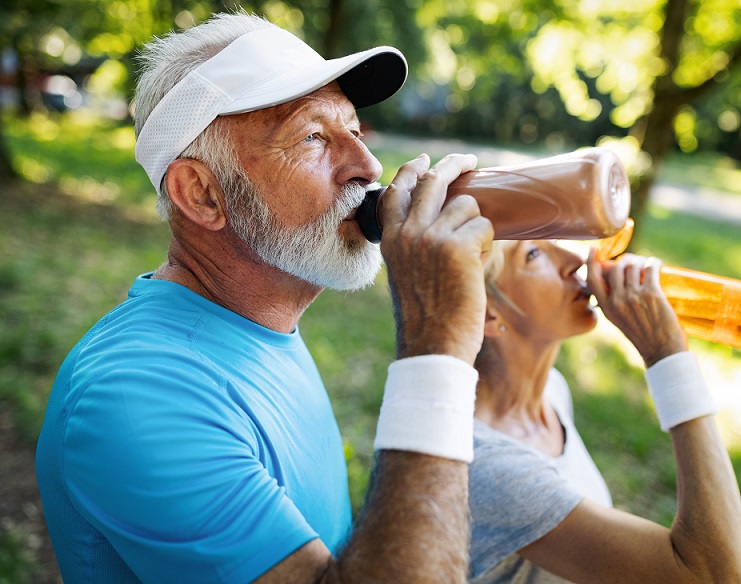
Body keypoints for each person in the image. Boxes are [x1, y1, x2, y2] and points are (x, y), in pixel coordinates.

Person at [35, 12, 494, 584]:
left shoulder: (261, 321)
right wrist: (437, 347)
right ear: (201, 193)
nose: (368, 167)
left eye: (353, 129)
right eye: (312, 137)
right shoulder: (136, 393)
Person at [468, 240, 741, 583]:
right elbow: (722, 576)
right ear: (489, 312)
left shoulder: (552, 391)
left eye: (552, 238)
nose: (577, 259)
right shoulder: (489, 468)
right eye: (533, 254)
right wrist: (667, 355)